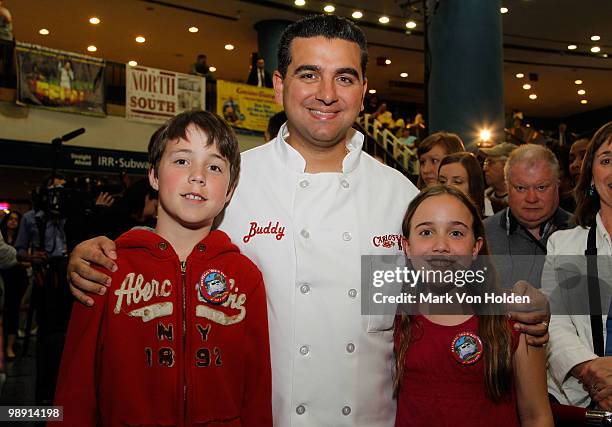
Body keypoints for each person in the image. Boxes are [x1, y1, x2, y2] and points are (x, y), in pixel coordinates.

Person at [66, 15, 550, 426]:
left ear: (362, 90)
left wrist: (528, 303)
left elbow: (450, 291)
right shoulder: (232, 183)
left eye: (343, 77)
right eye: (308, 74)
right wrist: (96, 253)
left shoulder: (399, 195)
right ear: (279, 85)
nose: (326, 93)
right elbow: (170, 261)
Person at [54, 110, 272, 426]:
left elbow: (256, 392)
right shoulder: (106, 268)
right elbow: (74, 393)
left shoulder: (245, 277)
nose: (198, 175)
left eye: (214, 167)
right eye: (182, 161)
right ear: (154, 175)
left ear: (229, 191)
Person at [394, 185, 553, 426]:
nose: (441, 246)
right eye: (426, 232)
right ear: (406, 246)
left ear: (476, 248)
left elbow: (536, 416)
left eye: (456, 233)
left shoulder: (514, 320)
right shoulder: (393, 319)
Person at [544, 121, 612, 409]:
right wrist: (590, 370)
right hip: (580, 401)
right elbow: (554, 323)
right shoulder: (563, 244)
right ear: (591, 175)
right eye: (607, 160)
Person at [15, 173, 71, 404]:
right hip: (44, 276)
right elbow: (19, 251)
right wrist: (32, 256)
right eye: (55, 190)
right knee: (47, 335)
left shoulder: (68, 217)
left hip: (66, 274)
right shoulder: (30, 218)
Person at [484, 144, 572, 288]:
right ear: (507, 187)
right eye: (521, 188)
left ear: (558, 186)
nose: (531, 198)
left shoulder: (584, 235)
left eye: (541, 187)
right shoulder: (481, 234)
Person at [0, 211, 29, 360]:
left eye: (16, 219)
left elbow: (25, 258)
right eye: (10, 219)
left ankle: (9, 347)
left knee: (13, 310)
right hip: (3, 274)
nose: (12, 222)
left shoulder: (21, 238)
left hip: (17, 277)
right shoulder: (2, 236)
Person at [437, 151, 491, 217]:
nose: (447, 186)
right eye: (442, 181)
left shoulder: (488, 224)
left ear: (473, 186)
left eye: (457, 182)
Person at [480, 142, 517, 213]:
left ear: (507, 166)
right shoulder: (483, 198)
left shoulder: (520, 202)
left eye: (490, 162)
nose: (485, 168)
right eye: (485, 163)